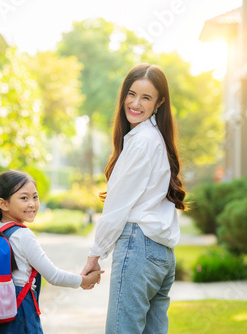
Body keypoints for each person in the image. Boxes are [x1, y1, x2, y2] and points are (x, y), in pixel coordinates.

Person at [81, 64, 187, 334]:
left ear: (159, 102)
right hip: (162, 255)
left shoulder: (141, 141)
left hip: (138, 249)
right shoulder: (157, 139)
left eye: (146, 97)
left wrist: (95, 255)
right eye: (131, 94)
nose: (135, 103)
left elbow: (117, 207)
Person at [0, 170, 104, 334]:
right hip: (18, 314)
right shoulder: (23, 235)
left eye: (35, 197)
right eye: (24, 198)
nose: (32, 203)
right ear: (3, 204)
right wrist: (84, 280)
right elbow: (53, 276)